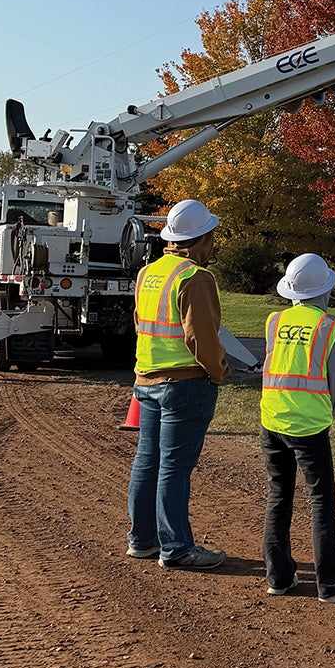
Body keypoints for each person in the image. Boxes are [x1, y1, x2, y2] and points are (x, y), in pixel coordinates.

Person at [260, 253, 335, 603]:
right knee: (321, 500)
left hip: (271, 420)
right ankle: (332, 583)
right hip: (309, 426)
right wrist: (327, 416)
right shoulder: (331, 327)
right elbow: (334, 385)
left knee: (279, 496)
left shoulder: (275, 321)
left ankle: (278, 576)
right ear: (324, 290)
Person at [127, 199, 229, 569]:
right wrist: (218, 371)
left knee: (147, 461)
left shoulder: (149, 273)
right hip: (184, 384)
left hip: (147, 379)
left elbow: (140, 324)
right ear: (201, 239)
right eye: (212, 236)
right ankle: (177, 548)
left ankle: (142, 540)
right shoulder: (196, 278)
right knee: (174, 467)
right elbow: (201, 338)